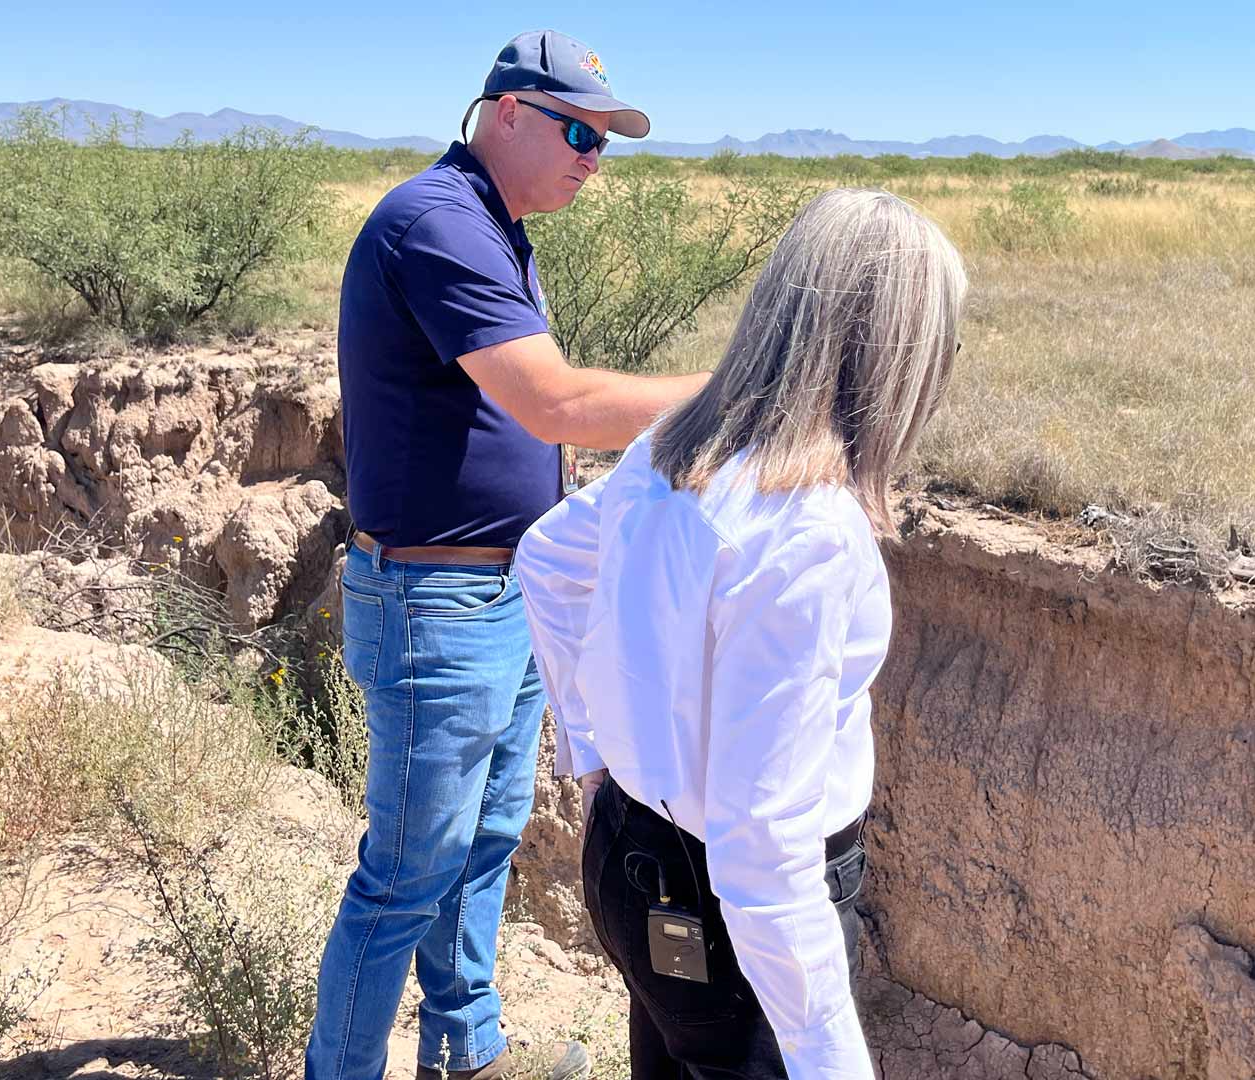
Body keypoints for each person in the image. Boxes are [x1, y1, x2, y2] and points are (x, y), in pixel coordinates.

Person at [308, 30, 710, 1080]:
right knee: (406, 873)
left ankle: (464, 1050)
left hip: (498, 596)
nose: (593, 157)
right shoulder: (437, 222)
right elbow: (559, 404)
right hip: (434, 603)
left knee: (482, 847)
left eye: (606, 142)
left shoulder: (494, 227)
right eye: (579, 131)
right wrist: (745, 393)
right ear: (508, 114)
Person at [515, 189, 968, 1079]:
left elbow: (547, 558)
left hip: (629, 853)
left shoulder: (668, 450)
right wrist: (834, 1062)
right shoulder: (813, 534)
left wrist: (598, 748)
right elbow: (761, 842)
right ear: (891, 357)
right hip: (735, 923)